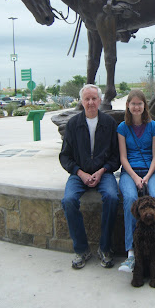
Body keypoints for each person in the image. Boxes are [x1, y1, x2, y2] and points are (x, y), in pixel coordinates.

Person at [60, 84, 120, 269]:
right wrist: (80, 172)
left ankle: (104, 248)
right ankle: (82, 249)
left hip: (104, 173)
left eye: (94, 98)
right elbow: (65, 156)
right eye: (87, 99)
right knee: (68, 200)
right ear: (81, 101)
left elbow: (116, 157)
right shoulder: (73, 124)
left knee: (112, 197)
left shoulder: (109, 124)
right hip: (79, 174)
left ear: (100, 100)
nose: (91, 102)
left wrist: (102, 171)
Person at [117, 89, 155, 273]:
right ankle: (131, 254)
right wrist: (135, 177)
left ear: (145, 106)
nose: (136, 107)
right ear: (128, 105)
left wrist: (147, 177)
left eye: (139, 104)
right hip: (129, 173)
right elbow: (123, 158)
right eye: (133, 103)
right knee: (129, 200)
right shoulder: (122, 127)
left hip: (151, 172)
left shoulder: (153, 126)